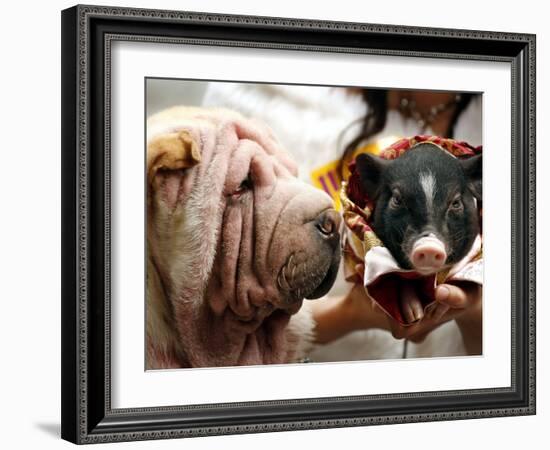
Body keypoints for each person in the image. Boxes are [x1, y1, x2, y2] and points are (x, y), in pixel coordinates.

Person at [201, 82, 482, 360]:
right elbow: (209, 317)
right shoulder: (263, 96)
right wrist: (351, 313)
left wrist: (476, 308)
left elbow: (516, 367)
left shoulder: (510, 115)